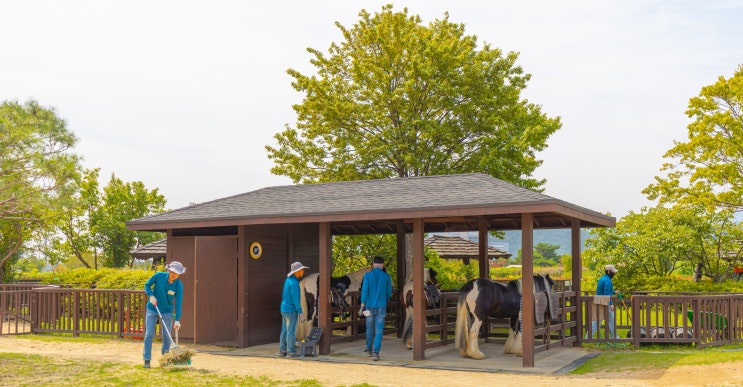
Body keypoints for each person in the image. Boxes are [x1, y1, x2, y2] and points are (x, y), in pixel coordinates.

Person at [143, 261, 186, 368]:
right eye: (172, 272)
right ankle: (147, 359)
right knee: (149, 334)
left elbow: (179, 303)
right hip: (153, 308)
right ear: (168, 270)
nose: (173, 275)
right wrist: (151, 296)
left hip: (166, 311)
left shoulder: (179, 286)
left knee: (166, 335)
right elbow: (147, 285)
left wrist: (177, 319)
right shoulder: (159, 276)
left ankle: (165, 358)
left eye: (176, 274)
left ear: (180, 274)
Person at [359, 256, 393, 361]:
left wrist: (362, 306)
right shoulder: (386, 276)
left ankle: (369, 349)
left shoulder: (367, 275)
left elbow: (364, 291)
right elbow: (388, 292)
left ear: (373, 264)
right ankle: (376, 353)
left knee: (369, 329)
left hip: (368, 307)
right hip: (381, 307)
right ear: (382, 265)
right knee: (379, 330)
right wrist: (385, 300)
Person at [279, 261, 308, 358]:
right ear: (297, 271)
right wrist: (300, 312)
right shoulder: (295, 283)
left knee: (284, 330)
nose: (303, 271)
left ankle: (282, 350)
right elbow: (296, 299)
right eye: (302, 270)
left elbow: (283, 295)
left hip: (284, 308)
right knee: (291, 330)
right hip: (291, 310)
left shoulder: (287, 280)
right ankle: (291, 351)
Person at [588, 264, 619, 339]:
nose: (614, 274)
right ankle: (615, 338)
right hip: (605, 302)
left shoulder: (602, 278)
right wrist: (611, 304)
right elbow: (607, 294)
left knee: (596, 321)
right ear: (608, 272)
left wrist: (614, 292)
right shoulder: (608, 280)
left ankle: (587, 337)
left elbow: (603, 291)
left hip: (599, 300)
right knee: (610, 320)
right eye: (613, 272)